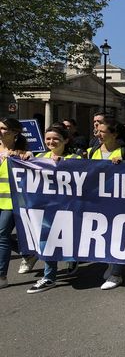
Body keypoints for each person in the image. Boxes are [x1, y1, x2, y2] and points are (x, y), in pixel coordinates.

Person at [25, 125, 82, 293]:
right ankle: (49, 277)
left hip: (69, 208)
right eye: (48, 138)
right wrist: (25, 157)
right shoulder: (40, 157)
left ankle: (73, 257)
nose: (51, 141)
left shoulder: (75, 158)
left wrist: (65, 164)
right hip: (46, 207)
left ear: (65, 140)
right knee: (47, 240)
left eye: (55, 138)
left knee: (69, 238)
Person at [87, 117, 125, 290]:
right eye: (97, 131)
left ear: (114, 134)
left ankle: (116, 273)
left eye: (102, 131)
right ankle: (110, 264)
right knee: (104, 235)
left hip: (121, 201)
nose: (98, 134)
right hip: (99, 201)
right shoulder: (92, 151)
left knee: (118, 234)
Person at [0, 118, 32, 289]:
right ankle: (27, 252)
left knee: (2, 235)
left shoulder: (22, 154)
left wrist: (24, 158)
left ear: (14, 133)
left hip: (10, 202)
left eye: (4, 128)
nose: (0, 131)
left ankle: (1, 276)